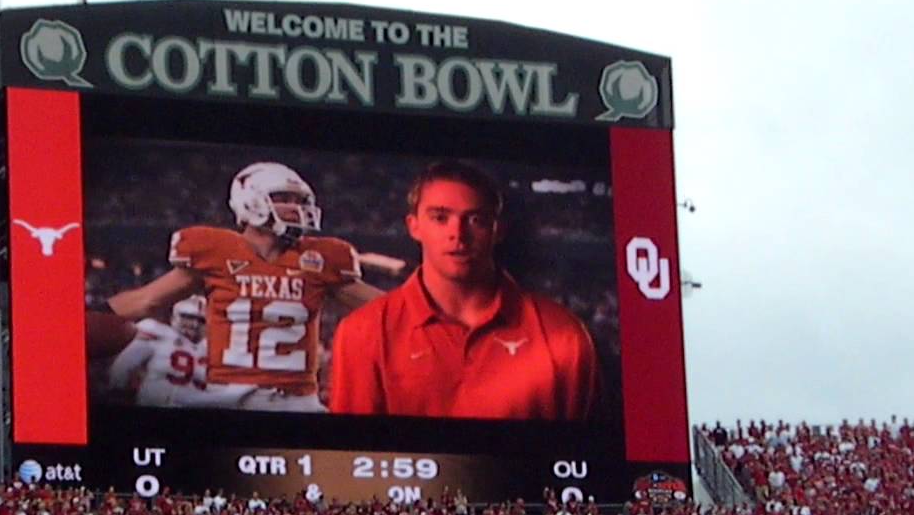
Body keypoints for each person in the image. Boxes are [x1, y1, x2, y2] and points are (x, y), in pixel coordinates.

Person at [329, 160, 597, 420]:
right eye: (440, 217)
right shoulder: (362, 332)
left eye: (476, 219)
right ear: (414, 226)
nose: (457, 234)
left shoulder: (562, 335)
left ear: (498, 230)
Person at [108, 162, 381, 412]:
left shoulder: (320, 259)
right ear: (250, 201)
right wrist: (93, 316)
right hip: (225, 396)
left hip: (296, 401)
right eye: (283, 198)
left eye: (299, 201)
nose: (295, 207)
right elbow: (147, 301)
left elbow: (388, 308)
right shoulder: (216, 251)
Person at [107, 295, 215, 408]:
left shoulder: (212, 348)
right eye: (188, 317)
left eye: (202, 320)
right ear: (173, 316)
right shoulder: (157, 332)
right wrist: (118, 391)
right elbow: (123, 366)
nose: (194, 325)